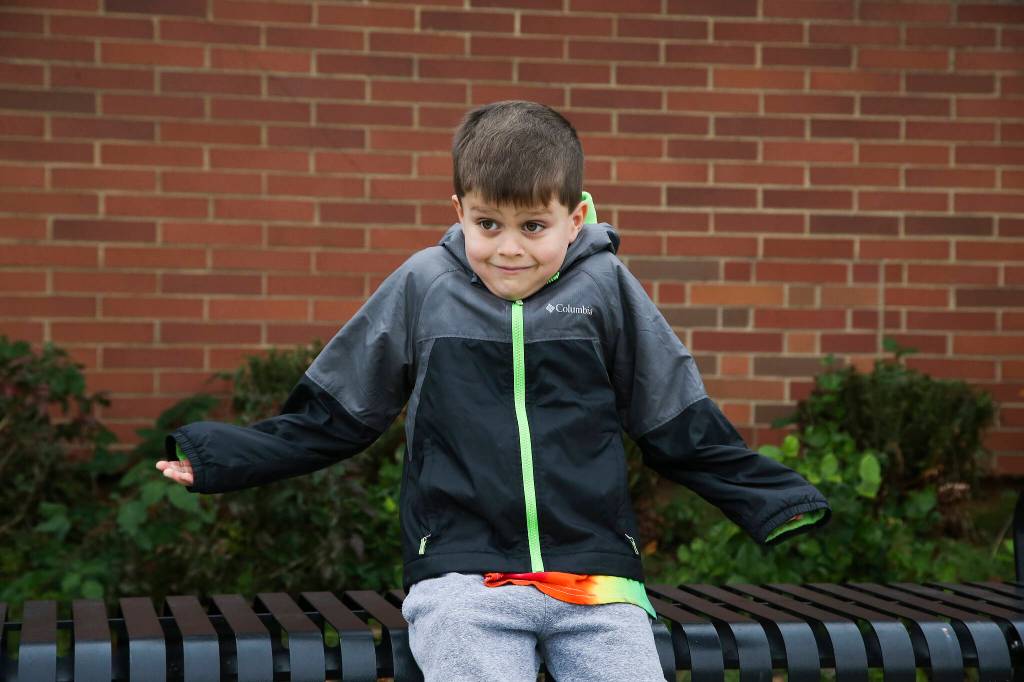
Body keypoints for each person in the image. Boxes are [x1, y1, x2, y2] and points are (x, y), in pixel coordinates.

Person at [157, 100, 830, 681]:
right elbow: (336, 413)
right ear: (459, 211)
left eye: (533, 226)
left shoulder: (605, 292)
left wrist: (773, 498)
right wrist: (225, 456)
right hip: (462, 579)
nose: (509, 249)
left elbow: (673, 419)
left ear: (577, 216)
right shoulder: (425, 287)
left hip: (594, 580)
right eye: (488, 225)